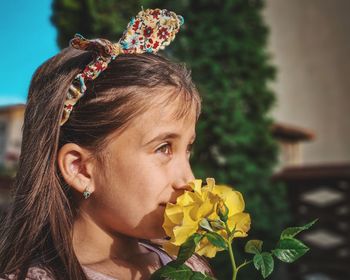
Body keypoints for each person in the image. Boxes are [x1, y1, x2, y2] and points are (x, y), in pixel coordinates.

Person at [0, 8, 213, 280]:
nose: (189, 180)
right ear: (81, 169)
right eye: (163, 148)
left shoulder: (188, 266)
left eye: (188, 150)